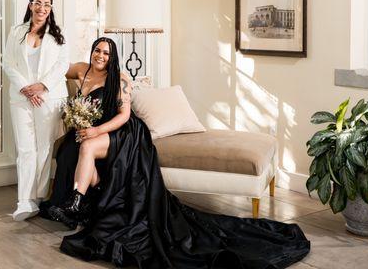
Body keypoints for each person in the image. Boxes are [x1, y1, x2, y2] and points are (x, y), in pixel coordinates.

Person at [40, 37, 310, 269]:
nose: (100, 55)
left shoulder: (119, 79)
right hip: (96, 130)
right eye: (97, 50)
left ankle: (75, 203)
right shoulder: (81, 70)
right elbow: (52, 71)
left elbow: (123, 116)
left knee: (86, 146)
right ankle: (82, 200)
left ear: (113, 57)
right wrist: (39, 85)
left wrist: (97, 132)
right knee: (74, 148)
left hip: (123, 133)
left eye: (106, 52)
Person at [3, 0, 68, 221]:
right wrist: (26, 88)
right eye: (38, 3)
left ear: (51, 9)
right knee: (26, 149)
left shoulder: (58, 36)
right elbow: (8, 62)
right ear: (30, 5)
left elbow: (62, 65)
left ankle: (39, 197)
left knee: (44, 149)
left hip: (47, 98)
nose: (42, 8)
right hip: (21, 98)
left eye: (47, 4)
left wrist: (41, 86)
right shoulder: (16, 32)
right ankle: (24, 200)